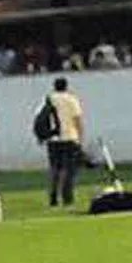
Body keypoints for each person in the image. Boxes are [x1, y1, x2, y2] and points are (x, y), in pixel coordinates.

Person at [45, 77, 85, 207]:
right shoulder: (71, 99)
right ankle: (67, 197)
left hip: (53, 139)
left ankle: (53, 195)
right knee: (69, 169)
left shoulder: (49, 99)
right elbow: (77, 119)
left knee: (55, 168)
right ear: (66, 86)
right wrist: (80, 137)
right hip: (69, 137)